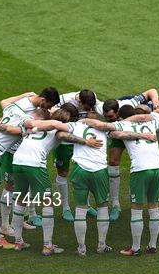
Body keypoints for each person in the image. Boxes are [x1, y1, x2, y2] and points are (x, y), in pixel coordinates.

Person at [82, 105, 159, 256]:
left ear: (121, 116)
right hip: (157, 168)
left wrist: (84, 120)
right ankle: (152, 246)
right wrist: (156, 114)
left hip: (140, 170)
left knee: (137, 208)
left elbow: (106, 128)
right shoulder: (151, 122)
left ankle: (136, 248)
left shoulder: (123, 123)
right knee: (153, 206)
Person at [10, 109, 103, 256]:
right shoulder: (58, 130)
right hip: (34, 164)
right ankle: (48, 246)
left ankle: (18, 242)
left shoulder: (38, 124)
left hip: (17, 161)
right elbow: (67, 135)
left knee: (20, 200)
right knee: (47, 202)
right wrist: (87, 141)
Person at [69, 112, 157, 256]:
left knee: (80, 208)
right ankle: (101, 245)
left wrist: (83, 139)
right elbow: (123, 133)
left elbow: (60, 134)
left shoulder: (76, 126)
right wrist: (144, 135)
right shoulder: (106, 129)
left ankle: (81, 248)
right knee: (102, 206)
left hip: (80, 170)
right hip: (100, 171)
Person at [0, 108, 56, 249]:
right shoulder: (26, 121)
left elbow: (1, 117)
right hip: (6, 155)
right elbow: (9, 127)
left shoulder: (17, 112)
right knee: (0, 191)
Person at [101, 88, 159, 221]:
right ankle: (115, 205)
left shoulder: (131, 103)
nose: (108, 119)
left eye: (111, 117)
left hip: (134, 129)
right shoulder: (102, 109)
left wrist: (156, 101)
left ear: (118, 112)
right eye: (106, 117)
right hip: (119, 131)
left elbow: (151, 91)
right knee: (113, 161)